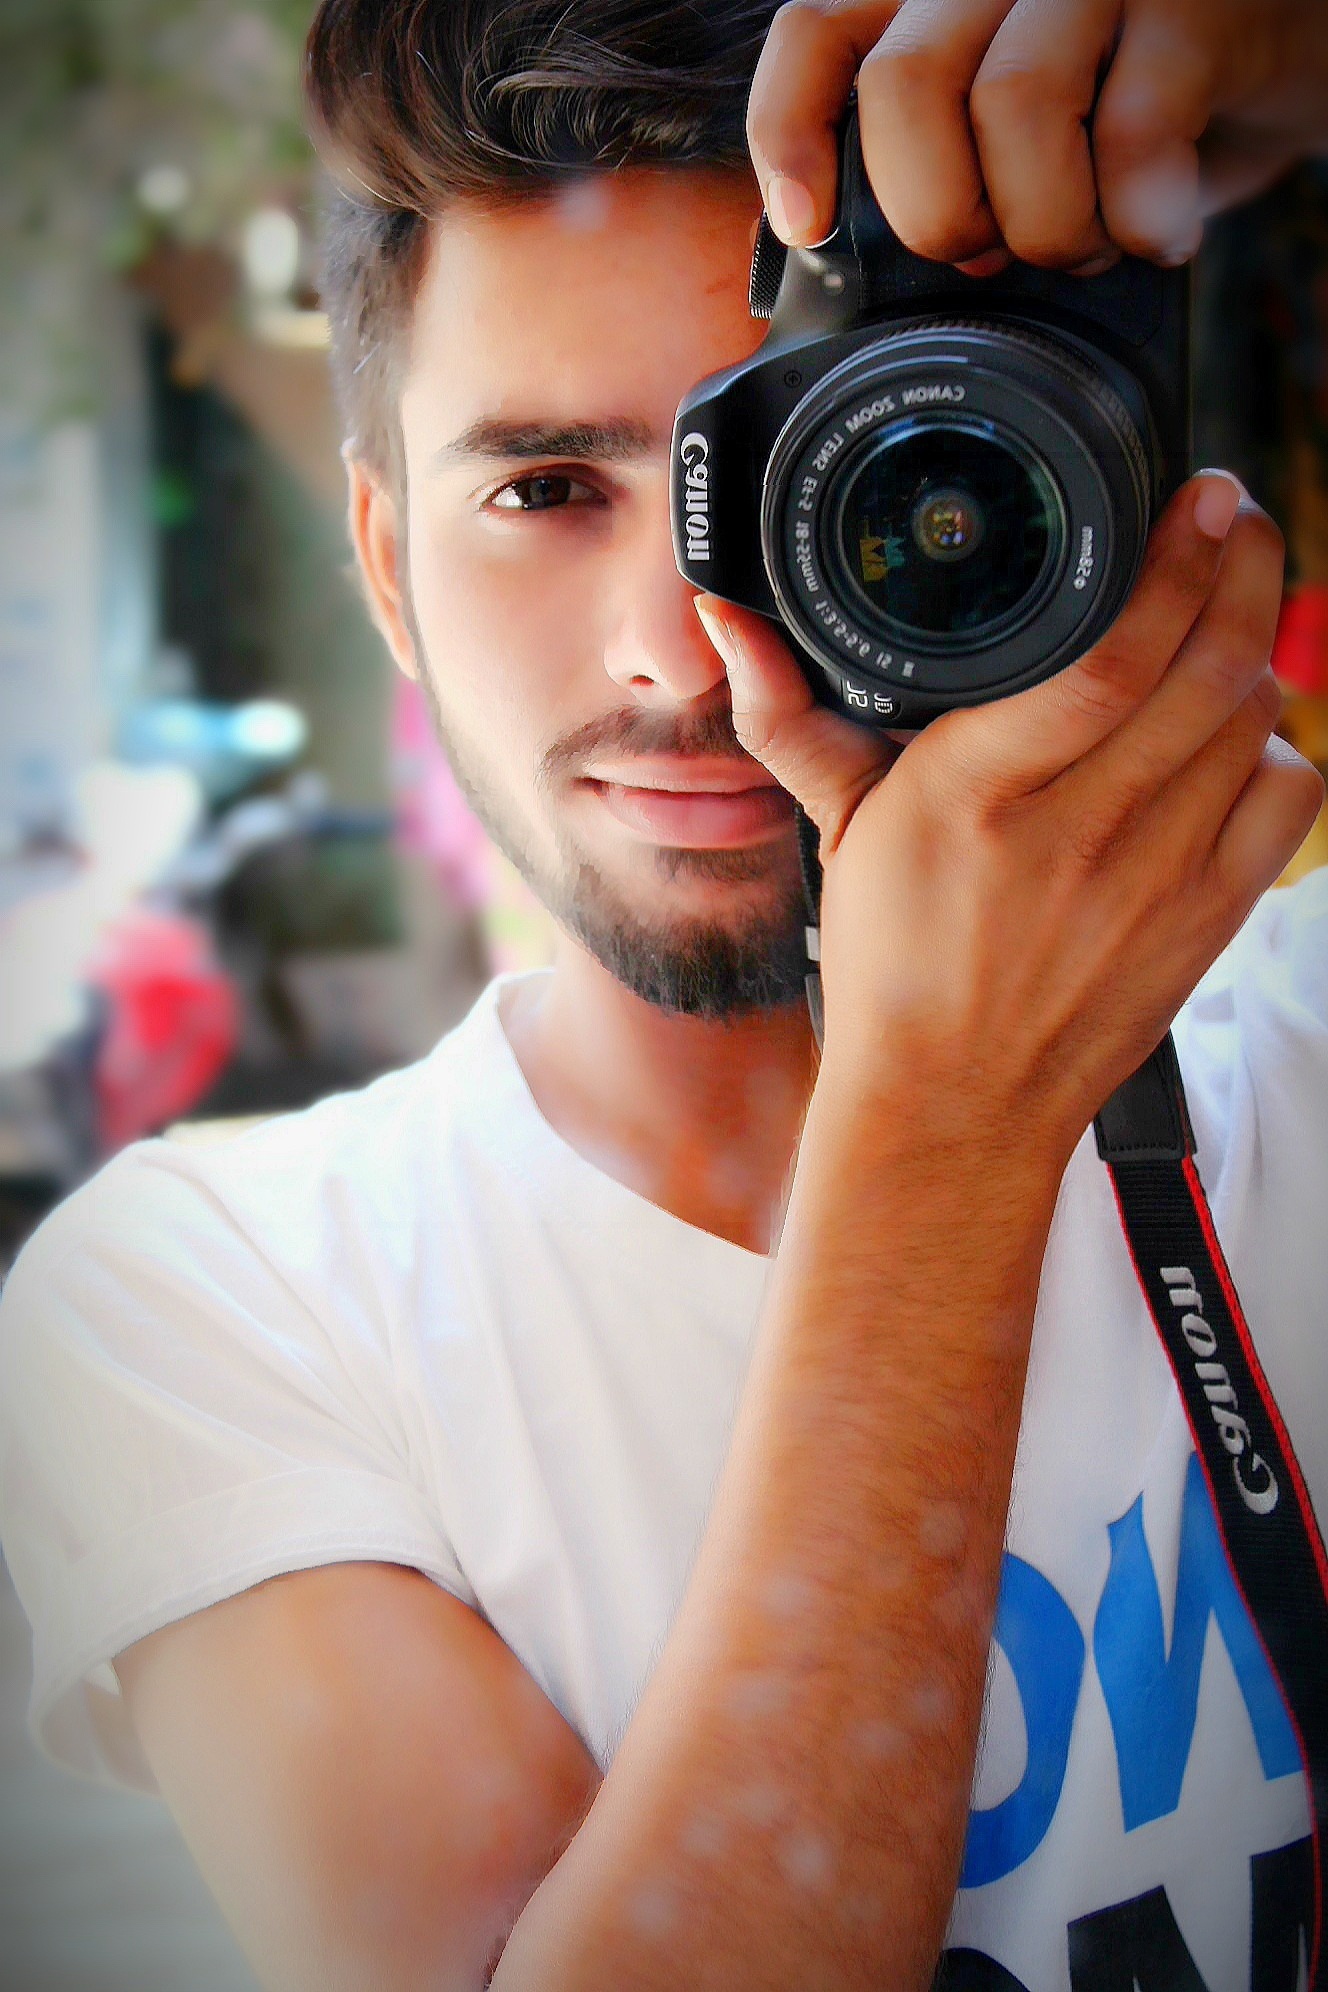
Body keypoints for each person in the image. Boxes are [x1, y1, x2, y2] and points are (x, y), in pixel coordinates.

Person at [3, 2, 1328, 1987]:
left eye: (820, 475)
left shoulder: (1298, 1052)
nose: (686, 652)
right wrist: (945, 1126)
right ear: (386, 563)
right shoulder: (213, 1302)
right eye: (549, 488)